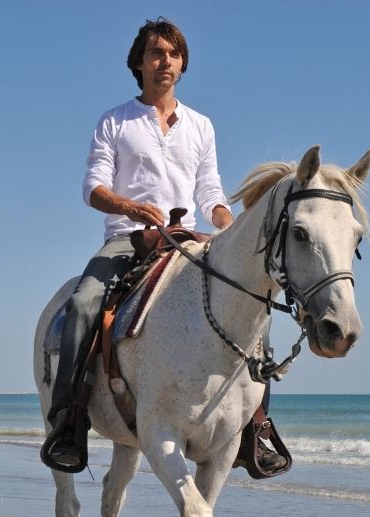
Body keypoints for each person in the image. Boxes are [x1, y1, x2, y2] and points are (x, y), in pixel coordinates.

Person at [43, 18, 288, 472]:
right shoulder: (115, 120)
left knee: (257, 305)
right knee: (81, 306)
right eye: (157, 53)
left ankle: (257, 425)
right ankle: (70, 420)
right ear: (139, 63)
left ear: (183, 64)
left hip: (186, 241)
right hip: (127, 240)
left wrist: (225, 223)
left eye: (173, 54)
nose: (166, 61)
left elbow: (210, 190)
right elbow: (93, 187)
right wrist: (131, 208)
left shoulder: (201, 125)